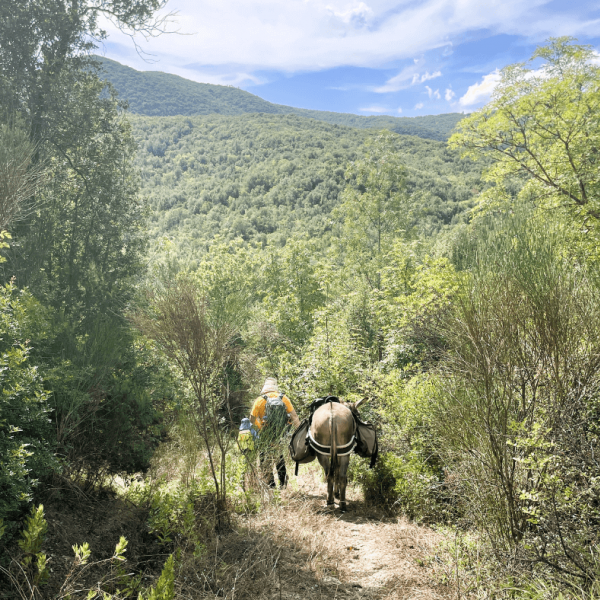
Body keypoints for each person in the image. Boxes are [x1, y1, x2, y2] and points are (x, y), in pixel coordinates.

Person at [250, 377, 300, 488]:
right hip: (280, 435)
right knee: (279, 457)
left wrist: (259, 428)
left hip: (264, 435)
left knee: (264, 459)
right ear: (275, 388)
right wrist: (300, 433)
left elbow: (252, 420)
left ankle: (271, 485)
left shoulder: (259, 400)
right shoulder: (284, 398)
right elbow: (294, 417)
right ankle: (283, 484)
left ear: (264, 388)